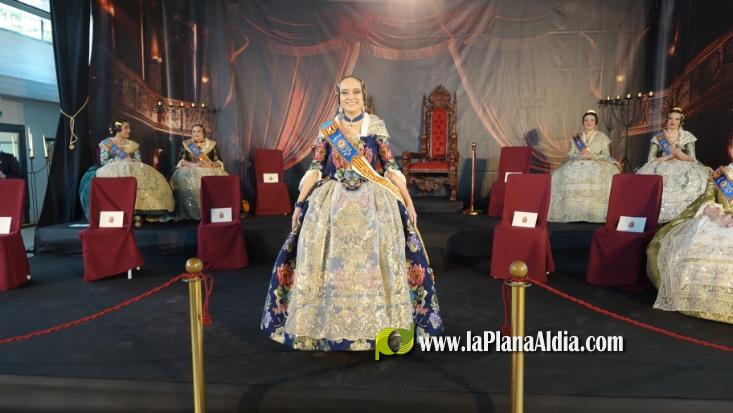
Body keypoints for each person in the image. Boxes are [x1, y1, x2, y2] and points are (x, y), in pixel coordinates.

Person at [260, 75, 443, 351]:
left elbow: (390, 167)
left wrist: (408, 201)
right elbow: (316, 168)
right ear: (338, 97)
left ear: (363, 95)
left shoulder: (376, 125)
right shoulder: (328, 129)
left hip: (373, 201)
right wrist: (299, 203)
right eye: (345, 92)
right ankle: (320, 327)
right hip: (331, 202)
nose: (351, 97)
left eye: (355, 92)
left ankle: (381, 327)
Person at [647, 145, 733, 324]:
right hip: (721, 219)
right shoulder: (719, 175)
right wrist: (720, 217)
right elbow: (707, 202)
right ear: (731, 150)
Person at [82, 119, 174, 221]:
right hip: (113, 167)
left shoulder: (133, 144)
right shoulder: (107, 143)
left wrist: (130, 161)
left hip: (133, 166)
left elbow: (139, 160)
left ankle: (141, 211)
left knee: (148, 175)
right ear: (118, 129)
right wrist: (121, 161)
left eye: (129, 128)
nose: (129, 130)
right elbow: (104, 161)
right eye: (126, 128)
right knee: (124, 169)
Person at [636, 107, 710, 222]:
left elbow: (692, 159)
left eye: (676, 119)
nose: (673, 121)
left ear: (681, 121)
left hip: (683, 165)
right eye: (670, 118)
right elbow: (651, 159)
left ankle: (682, 216)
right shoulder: (658, 137)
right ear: (667, 119)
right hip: (661, 164)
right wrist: (668, 156)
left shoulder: (687, 137)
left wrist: (678, 154)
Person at [548, 109, 619, 222]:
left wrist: (593, 156)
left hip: (597, 162)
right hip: (578, 161)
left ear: (596, 123)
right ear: (583, 123)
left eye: (592, 120)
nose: (589, 122)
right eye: (586, 120)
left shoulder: (603, 137)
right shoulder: (576, 139)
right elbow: (570, 155)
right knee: (561, 173)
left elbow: (606, 155)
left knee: (598, 173)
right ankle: (571, 210)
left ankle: (594, 211)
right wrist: (579, 156)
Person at [169, 124, 227, 220]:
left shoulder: (212, 145)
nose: (196, 133)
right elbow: (182, 161)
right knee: (187, 181)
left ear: (203, 133)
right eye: (193, 131)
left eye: (199, 131)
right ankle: (192, 213)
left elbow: (218, 162)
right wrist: (194, 165)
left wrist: (210, 165)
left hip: (209, 169)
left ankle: (211, 213)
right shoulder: (187, 144)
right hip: (190, 169)